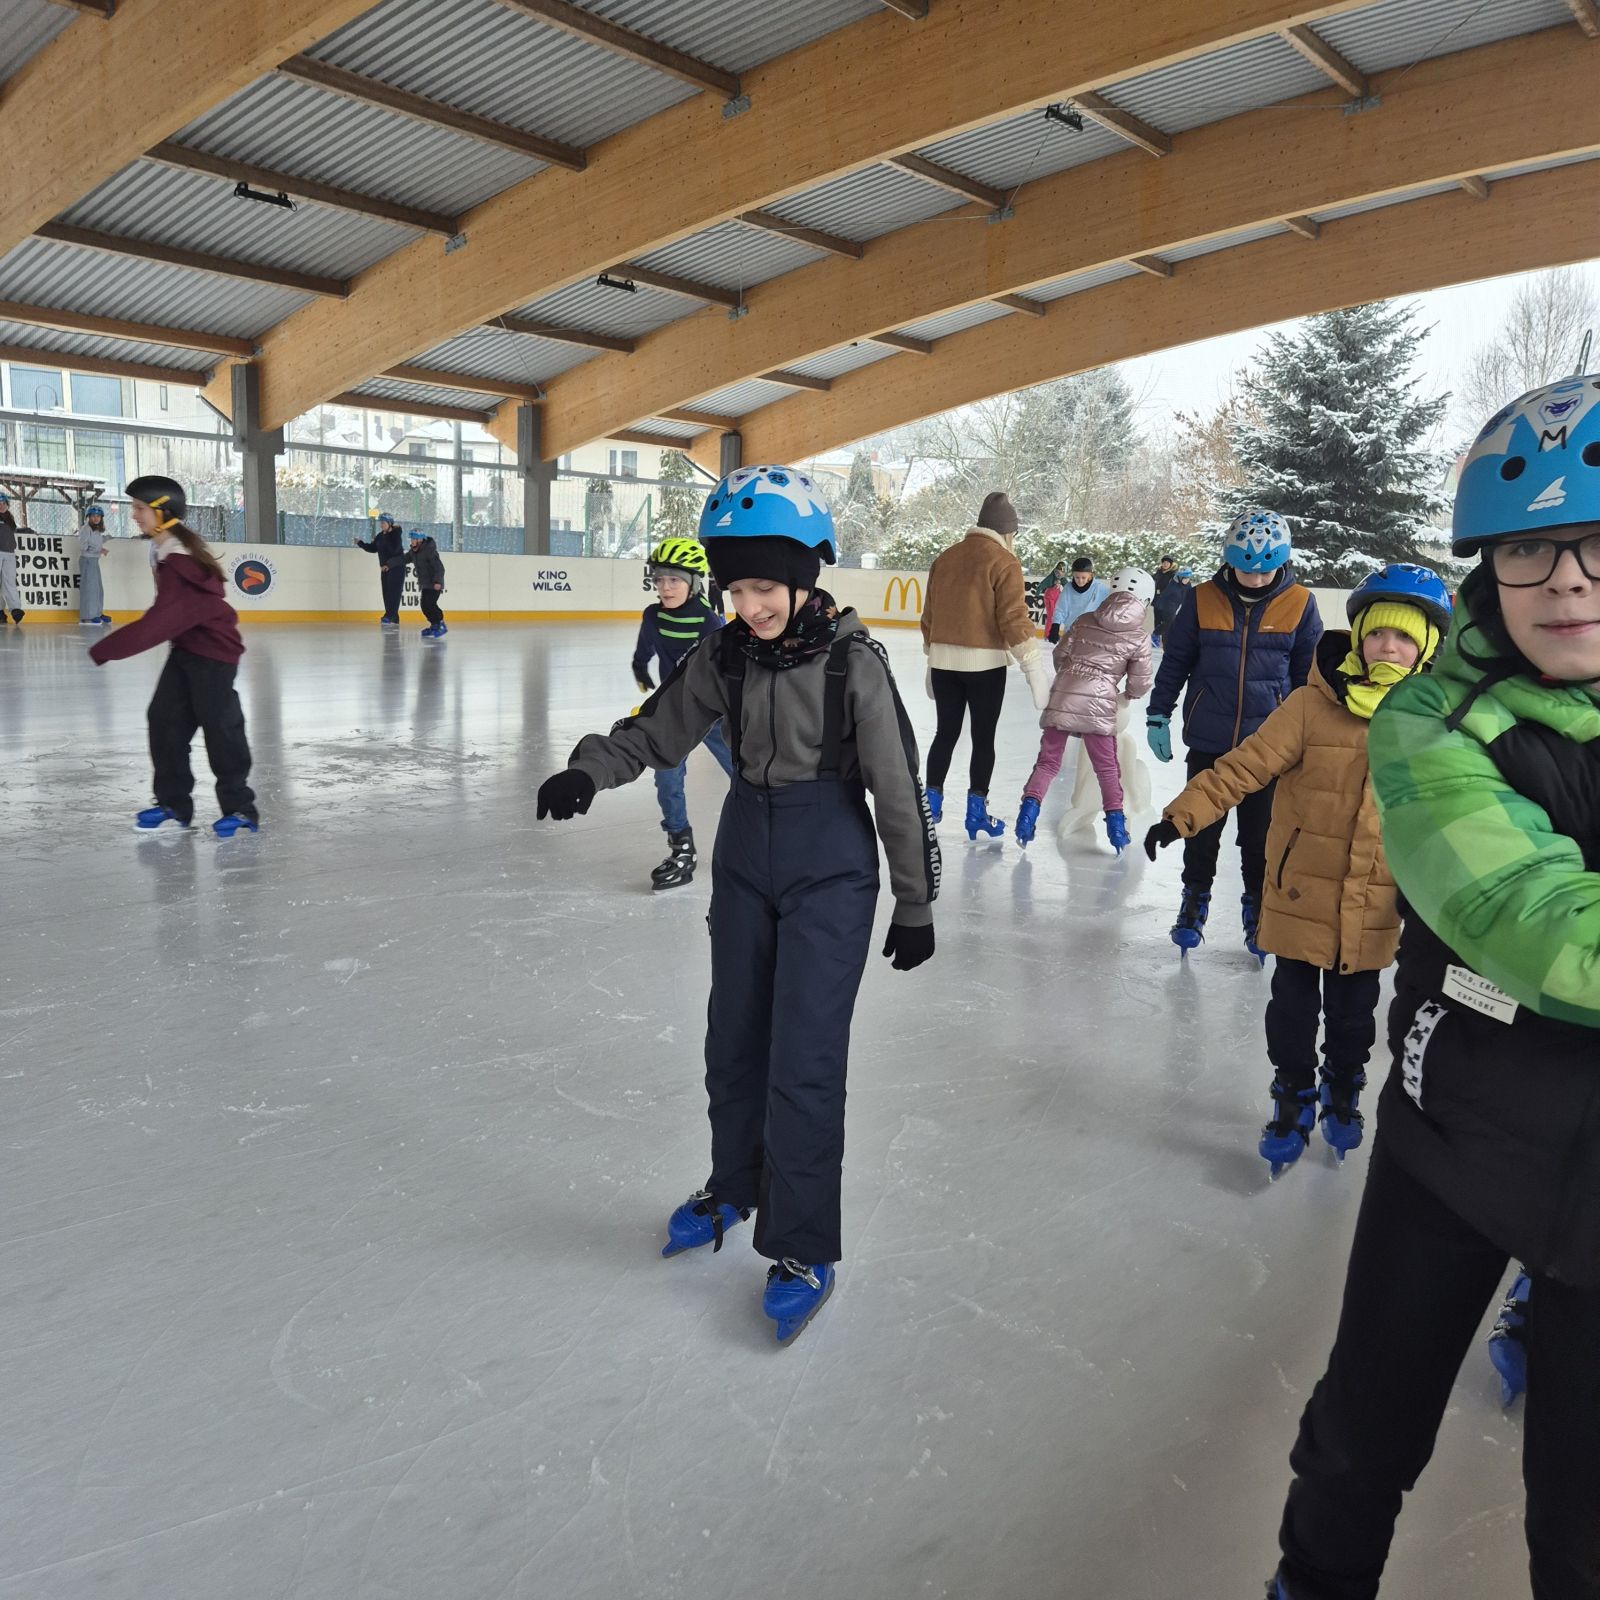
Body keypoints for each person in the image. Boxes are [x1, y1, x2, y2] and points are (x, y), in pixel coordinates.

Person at [1263, 376, 1600, 1600]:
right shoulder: (1429, 723)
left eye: (1598, 545)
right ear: (1486, 569)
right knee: (1363, 1434)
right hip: (1458, 1135)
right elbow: (1542, 926)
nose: (1566, 582)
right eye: (1527, 549)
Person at [535, 464, 938, 1345]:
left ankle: (802, 1244)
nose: (748, 606)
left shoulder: (854, 665)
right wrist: (589, 771)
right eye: (735, 590)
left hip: (831, 866)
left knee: (804, 1060)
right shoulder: (723, 654)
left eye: (764, 588)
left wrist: (916, 902)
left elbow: (899, 790)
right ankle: (732, 1185)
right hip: (747, 856)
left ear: (802, 577)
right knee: (733, 1041)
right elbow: (657, 728)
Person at [1144, 564, 1450, 1177]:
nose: (1388, 647)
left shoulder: (1436, 725)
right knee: (1290, 1009)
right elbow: (1244, 766)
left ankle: (1344, 1086)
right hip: (1298, 890)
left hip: (1374, 900)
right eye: (1377, 634)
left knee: (1354, 1017)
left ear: (1426, 650)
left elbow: (1452, 814)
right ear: (1358, 637)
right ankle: (1292, 1093)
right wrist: (1181, 818)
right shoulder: (1311, 705)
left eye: (1404, 637)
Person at [1145, 510, 1322, 956]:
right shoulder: (1202, 598)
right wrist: (1158, 713)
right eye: (1246, 570)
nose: (1256, 579)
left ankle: (1258, 908)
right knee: (1201, 830)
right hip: (1209, 737)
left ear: (1282, 561)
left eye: (1265, 571)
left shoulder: (1300, 602)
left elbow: (1309, 678)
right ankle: (1194, 899)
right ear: (1229, 559)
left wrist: (1309, 738)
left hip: (1269, 747)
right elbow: (1176, 661)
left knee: (1260, 838)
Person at [87, 475, 257, 838]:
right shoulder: (167, 549)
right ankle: (173, 805)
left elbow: (160, 622)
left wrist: (105, 649)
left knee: (220, 728)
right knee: (164, 720)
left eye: (140, 508)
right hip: (187, 649)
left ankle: (240, 809)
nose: (134, 515)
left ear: (163, 511)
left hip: (214, 655)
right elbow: (166, 617)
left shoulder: (180, 559)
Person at [918, 492, 1052, 839]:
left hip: (943, 665)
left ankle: (930, 807)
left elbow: (929, 616)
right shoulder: (1004, 561)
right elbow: (1013, 618)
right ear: (1008, 532)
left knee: (945, 733)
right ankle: (976, 813)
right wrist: (1033, 667)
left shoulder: (945, 558)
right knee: (982, 738)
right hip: (985, 667)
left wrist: (932, 659)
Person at [1015, 567, 1154, 853]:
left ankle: (1026, 817)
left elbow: (1060, 655)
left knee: (1047, 763)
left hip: (1063, 697)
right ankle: (1117, 831)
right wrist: (1128, 694)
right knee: (1107, 769)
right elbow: (1141, 682)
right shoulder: (1139, 636)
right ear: (1146, 600)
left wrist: (1069, 680)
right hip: (1099, 704)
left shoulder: (1085, 619)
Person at [631, 535, 735, 890]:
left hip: (714, 714)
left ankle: (764, 834)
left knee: (745, 775)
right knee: (667, 778)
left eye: (674, 579)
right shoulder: (653, 615)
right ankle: (681, 847)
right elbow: (645, 646)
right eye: (660, 579)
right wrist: (640, 667)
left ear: (693, 582)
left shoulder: (709, 622)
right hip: (675, 713)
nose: (665, 587)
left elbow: (728, 671)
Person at [354, 510, 405, 627]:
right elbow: (373, 548)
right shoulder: (381, 536)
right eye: (380, 522)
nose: (381, 525)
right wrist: (360, 543)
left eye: (383, 523)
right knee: (386, 593)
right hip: (385, 569)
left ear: (390, 523)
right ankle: (393, 617)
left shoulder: (395, 535)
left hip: (396, 567)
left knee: (394, 593)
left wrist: (389, 564)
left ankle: (390, 616)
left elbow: (395, 551)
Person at [400, 528, 447, 638]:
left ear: (420, 540)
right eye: (411, 539)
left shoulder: (429, 551)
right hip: (425, 584)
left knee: (430, 604)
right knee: (425, 606)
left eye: (413, 539)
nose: (412, 541)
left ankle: (440, 624)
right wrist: (391, 562)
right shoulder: (414, 552)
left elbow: (439, 568)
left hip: (434, 584)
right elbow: (403, 559)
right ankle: (434, 625)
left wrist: (437, 581)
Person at [1050, 556, 1107, 638]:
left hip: (1091, 634)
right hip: (1071, 632)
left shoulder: (1100, 589)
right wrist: (1055, 626)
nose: (1080, 581)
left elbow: (1107, 610)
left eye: (1084, 577)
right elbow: (1061, 609)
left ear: (1090, 575)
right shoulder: (1068, 588)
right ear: (1073, 574)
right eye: (1077, 577)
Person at [76, 504, 111, 626]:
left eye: (98, 516)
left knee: (98, 589)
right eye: (93, 516)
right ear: (88, 517)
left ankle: (97, 613)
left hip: (94, 560)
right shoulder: (85, 529)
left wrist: (107, 538)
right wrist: (99, 550)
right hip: (87, 560)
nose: (96, 518)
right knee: (89, 589)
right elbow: (83, 546)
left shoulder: (96, 529)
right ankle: (88, 617)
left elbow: (96, 542)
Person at [1151, 553, 1184, 648]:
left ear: (1171, 564)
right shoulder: (1158, 574)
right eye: (1164, 562)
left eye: (1167, 562)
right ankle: (1155, 641)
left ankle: (1166, 642)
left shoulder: (1174, 575)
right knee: (1157, 621)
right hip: (1157, 601)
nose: (1165, 564)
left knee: (1168, 622)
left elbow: (1181, 587)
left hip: (1169, 603)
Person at [0, 493, 21, 625]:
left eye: (3, 503)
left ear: (7, 504)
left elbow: (13, 531)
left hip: (9, 553)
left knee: (9, 582)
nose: (1, 506)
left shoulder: (10, 518)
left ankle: (16, 609)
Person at [1041, 561, 1066, 642]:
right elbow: (1043, 585)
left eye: (1061, 572)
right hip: (1050, 598)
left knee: (1057, 617)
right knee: (1051, 617)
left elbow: (1065, 587)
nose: (1059, 574)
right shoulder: (1051, 580)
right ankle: (1047, 634)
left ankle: (1053, 634)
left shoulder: (1062, 581)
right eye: (1057, 572)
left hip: (1055, 598)